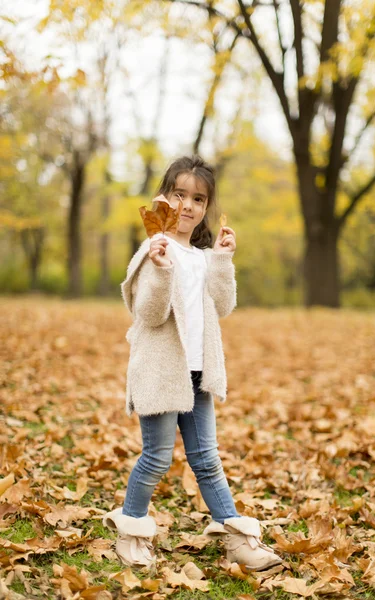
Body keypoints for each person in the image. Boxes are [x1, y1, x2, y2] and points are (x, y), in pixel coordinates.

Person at [102, 155, 282, 572]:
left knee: (206, 458)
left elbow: (222, 306)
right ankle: (131, 532)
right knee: (157, 457)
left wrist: (221, 259)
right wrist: (161, 269)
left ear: (206, 207)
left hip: (199, 375)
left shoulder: (202, 257)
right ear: (164, 197)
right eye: (179, 194)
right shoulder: (153, 250)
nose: (188, 205)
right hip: (163, 372)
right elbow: (147, 314)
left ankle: (237, 539)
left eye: (198, 199)